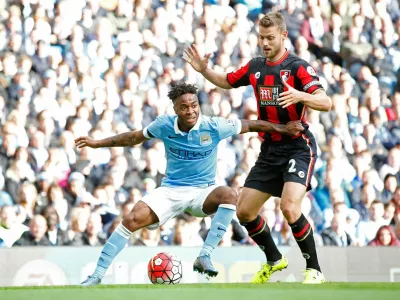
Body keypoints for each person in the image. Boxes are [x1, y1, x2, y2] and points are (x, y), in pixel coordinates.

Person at [76, 82, 304, 286]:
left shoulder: (214, 126)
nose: (191, 110)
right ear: (175, 109)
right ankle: (97, 275)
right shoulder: (163, 125)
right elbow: (134, 137)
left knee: (229, 194)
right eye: (184, 107)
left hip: (202, 192)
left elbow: (252, 124)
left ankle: (205, 255)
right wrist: (97, 144)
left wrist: (283, 129)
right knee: (131, 219)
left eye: (194, 105)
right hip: (170, 190)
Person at [183, 12, 331, 284]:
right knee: (244, 211)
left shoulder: (298, 67)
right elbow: (227, 81)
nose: (264, 43)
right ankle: (275, 259)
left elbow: (325, 102)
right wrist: (204, 70)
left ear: (283, 36)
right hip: (270, 150)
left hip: (298, 147)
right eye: (261, 38)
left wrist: (301, 95)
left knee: (289, 207)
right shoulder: (255, 67)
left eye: (270, 38)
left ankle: (314, 271)